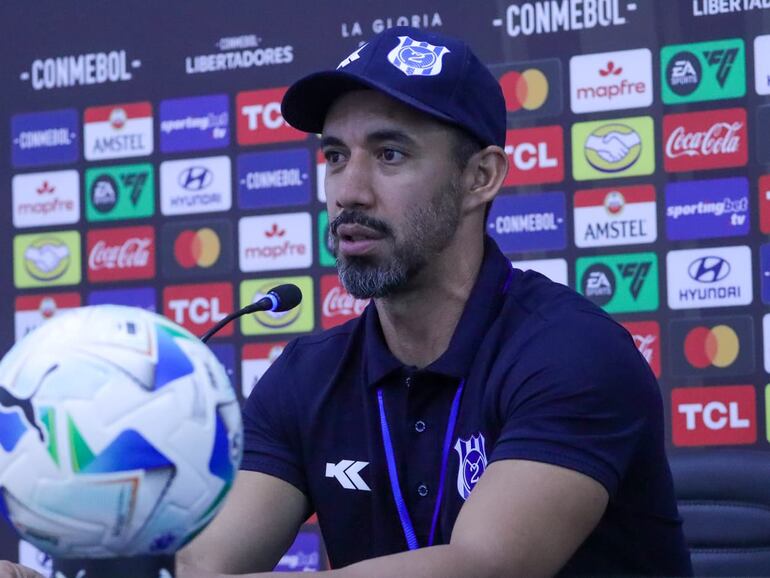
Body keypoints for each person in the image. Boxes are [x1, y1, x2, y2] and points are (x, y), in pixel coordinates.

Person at [2, 26, 692, 578]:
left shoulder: (571, 353)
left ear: (480, 177)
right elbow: (205, 565)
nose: (349, 192)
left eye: (390, 155)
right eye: (335, 156)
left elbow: (486, 566)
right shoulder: (308, 376)